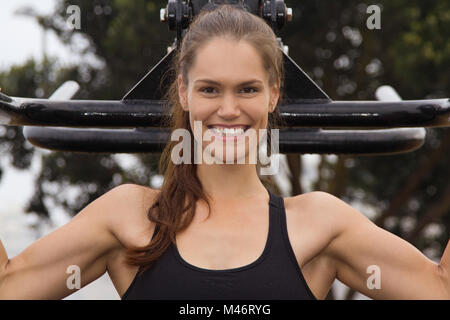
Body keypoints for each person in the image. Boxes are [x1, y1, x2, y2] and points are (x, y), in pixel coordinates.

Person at [0, 4, 449, 300]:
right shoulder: (128, 218)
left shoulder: (319, 223)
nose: (229, 109)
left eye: (248, 89)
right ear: (185, 92)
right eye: (210, 89)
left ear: (274, 93)